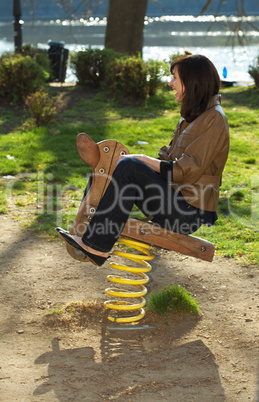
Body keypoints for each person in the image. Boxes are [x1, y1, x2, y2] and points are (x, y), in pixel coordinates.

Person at [56, 54, 229, 267]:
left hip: (188, 212)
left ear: (192, 81)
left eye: (175, 78)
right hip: (174, 200)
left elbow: (188, 170)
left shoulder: (214, 118)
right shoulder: (190, 118)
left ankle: (97, 245)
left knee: (130, 166)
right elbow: (166, 160)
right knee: (112, 164)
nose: (170, 83)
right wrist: (128, 162)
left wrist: (139, 161)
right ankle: (85, 229)